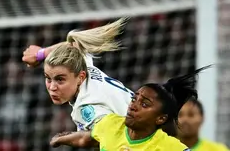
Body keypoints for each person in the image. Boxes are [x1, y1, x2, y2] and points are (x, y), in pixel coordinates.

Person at [48, 67, 210, 151]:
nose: (133, 105)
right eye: (134, 98)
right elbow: (87, 138)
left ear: (160, 118)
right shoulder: (110, 124)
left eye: (144, 104)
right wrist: (62, 139)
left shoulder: (168, 146)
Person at [22, 18, 133, 131]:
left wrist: (70, 139)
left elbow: (106, 137)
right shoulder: (82, 64)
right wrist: (41, 54)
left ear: (81, 77)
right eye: (48, 78)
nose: (52, 87)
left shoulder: (85, 107)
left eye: (60, 80)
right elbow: (73, 45)